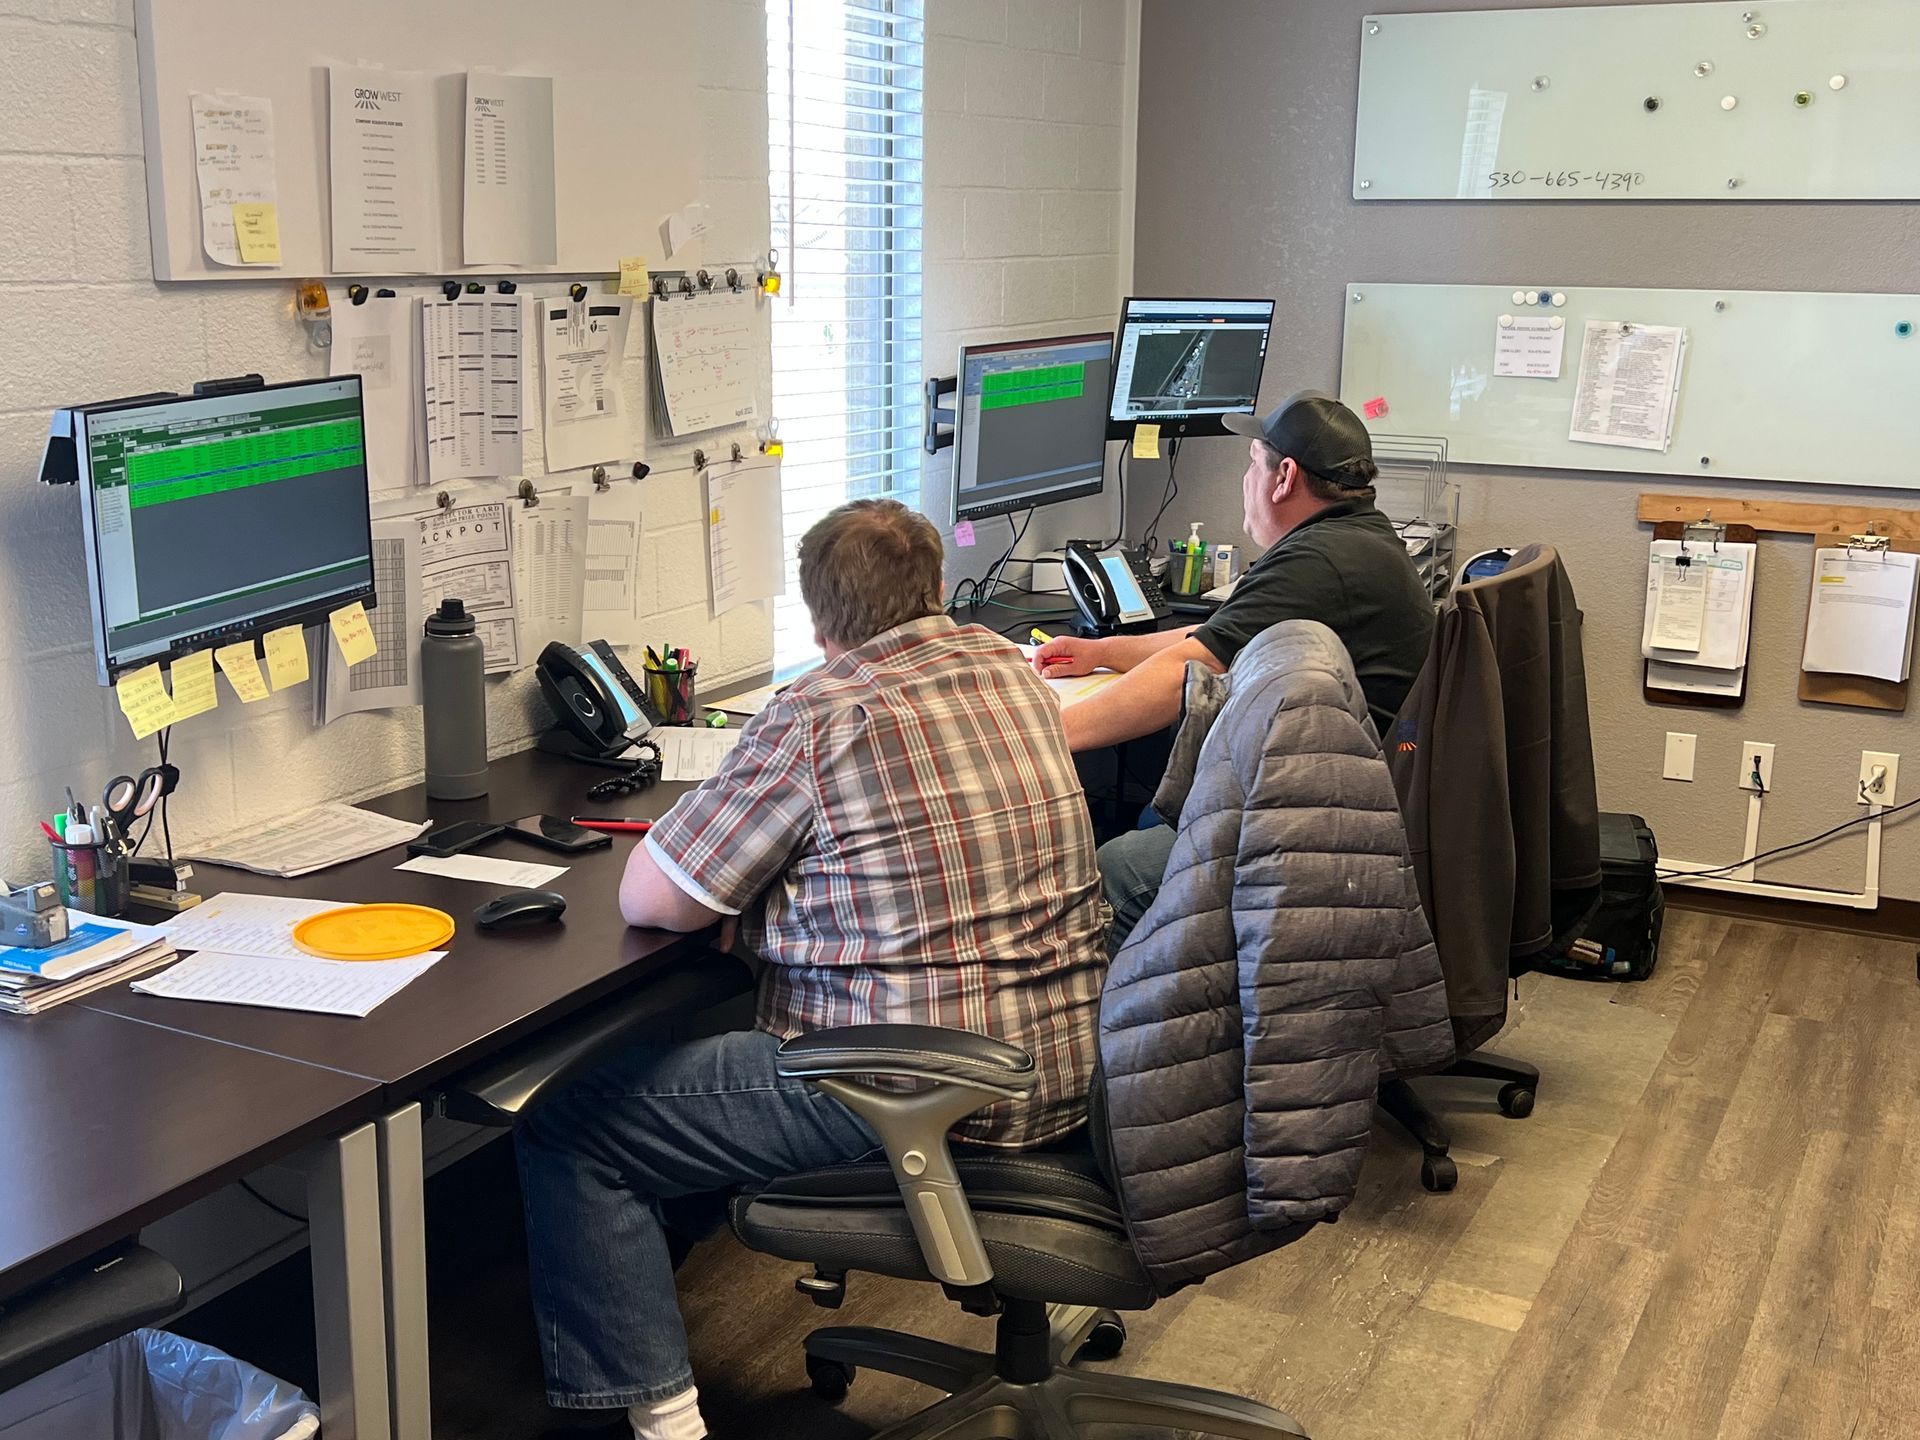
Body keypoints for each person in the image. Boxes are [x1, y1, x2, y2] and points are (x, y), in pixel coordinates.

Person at [515, 498, 1110, 1440]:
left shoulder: (819, 711)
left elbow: (654, 900)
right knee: (690, 1054)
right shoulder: (1010, 669)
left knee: (574, 1127)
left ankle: (663, 1419)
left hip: (914, 1088)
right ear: (938, 590)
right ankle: (629, 1298)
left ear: (819, 622)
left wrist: (749, 897)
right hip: (1072, 1065)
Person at [1034, 390, 1435, 950]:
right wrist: (1102, 651)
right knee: (1153, 816)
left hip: (1322, 824)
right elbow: (1211, 638)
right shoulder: (1351, 539)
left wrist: (1043, 738)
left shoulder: (1320, 563)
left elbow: (1188, 667)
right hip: (1346, 794)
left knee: (1119, 872)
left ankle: (1122, 1034)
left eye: (1252, 462)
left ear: (1284, 477)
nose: (1245, 479)